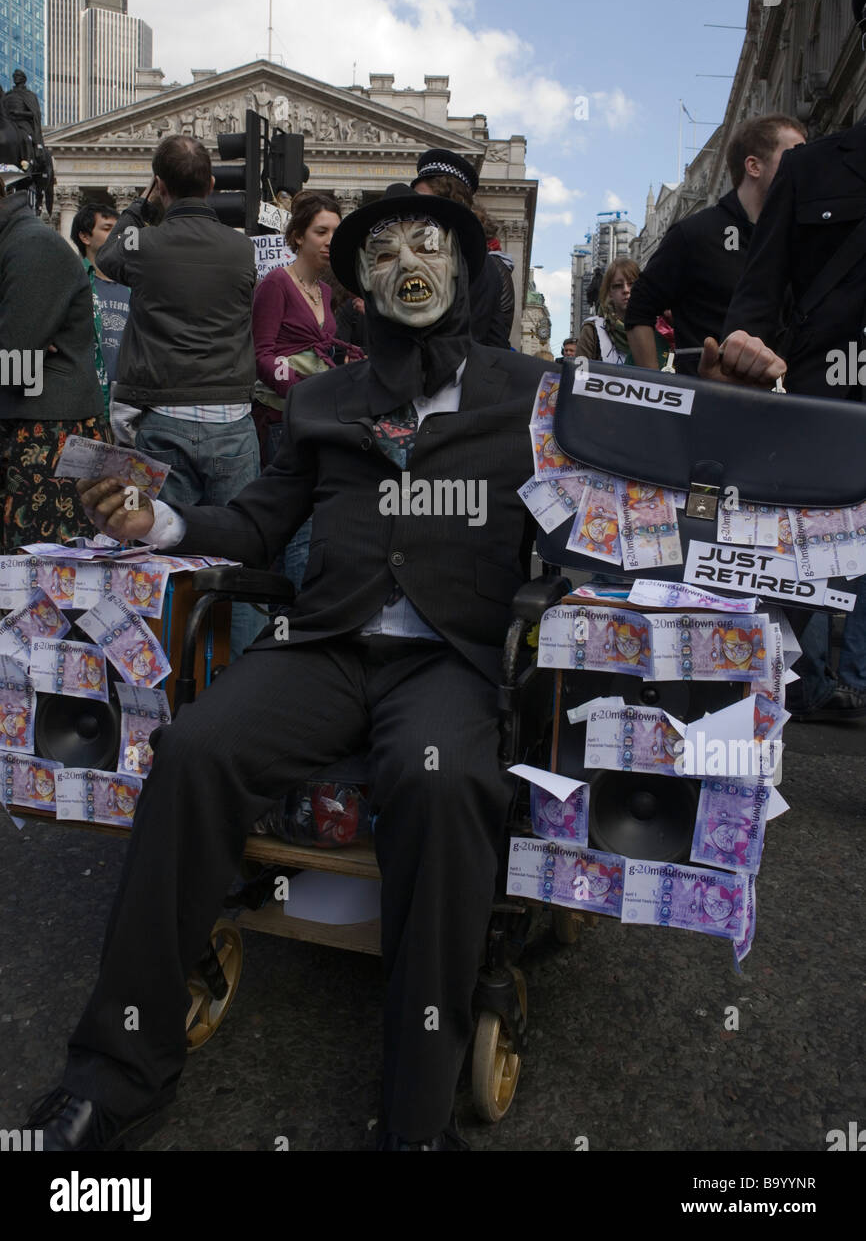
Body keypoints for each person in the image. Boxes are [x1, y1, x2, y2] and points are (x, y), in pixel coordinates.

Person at [27, 184, 784, 1154]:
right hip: (326, 645)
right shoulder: (323, 397)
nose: (403, 261)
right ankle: (115, 1071)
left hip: (450, 661)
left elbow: (637, 492)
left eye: (424, 243)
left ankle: (416, 1119)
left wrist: (718, 401)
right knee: (195, 751)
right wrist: (157, 521)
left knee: (442, 781)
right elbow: (260, 521)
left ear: (462, 269)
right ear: (362, 288)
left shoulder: (532, 395)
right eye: (380, 252)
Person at [722, 0, 866, 720]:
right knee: (788, 590)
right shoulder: (813, 167)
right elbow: (759, 286)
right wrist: (745, 340)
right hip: (823, 410)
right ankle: (750, 728)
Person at [95, 135, 261, 658]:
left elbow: (106, 256)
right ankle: (249, 676)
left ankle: (174, 680)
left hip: (163, 418)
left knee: (165, 553)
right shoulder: (242, 248)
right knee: (242, 553)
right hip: (232, 420)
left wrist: (140, 208)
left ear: (160, 185)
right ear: (212, 185)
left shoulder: (146, 244)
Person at [626, 113, 806, 375]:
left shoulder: (797, 239)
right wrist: (657, 391)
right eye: (795, 155)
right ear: (754, 166)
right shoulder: (695, 235)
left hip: (787, 403)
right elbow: (639, 310)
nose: (807, 165)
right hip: (710, 404)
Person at [252, 190, 363, 587]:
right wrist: (298, 391)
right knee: (297, 527)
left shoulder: (328, 292)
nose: (331, 240)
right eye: (321, 231)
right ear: (298, 235)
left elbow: (321, 348)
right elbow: (263, 355)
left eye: (336, 230)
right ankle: (292, 622)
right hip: (283, 419)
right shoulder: (275, 285)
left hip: (317, 420)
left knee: (313, 525)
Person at [0, 164, 108, 549]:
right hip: (32, 428)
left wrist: (20, 346)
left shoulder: (32, 246)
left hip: (48, 439)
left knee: (41, 580)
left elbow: (13, 365)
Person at [412, 148, 514, 348]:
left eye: (425, 202)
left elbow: (495, 341)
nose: (416, 210)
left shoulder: (483, 266)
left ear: (451, 203)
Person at [71, 201, 131, 423]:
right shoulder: (73, 284)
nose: (117, 235)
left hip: (129, 404)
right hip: (85, 403)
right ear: (85, 237)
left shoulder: (134, 285)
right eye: (107, 228)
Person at [574, 257, 669, 368]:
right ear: (610, 292)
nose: (626, 290)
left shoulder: (661, 329)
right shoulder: (593, 330)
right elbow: (579, 376)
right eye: (618, 286)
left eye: (632, 284)